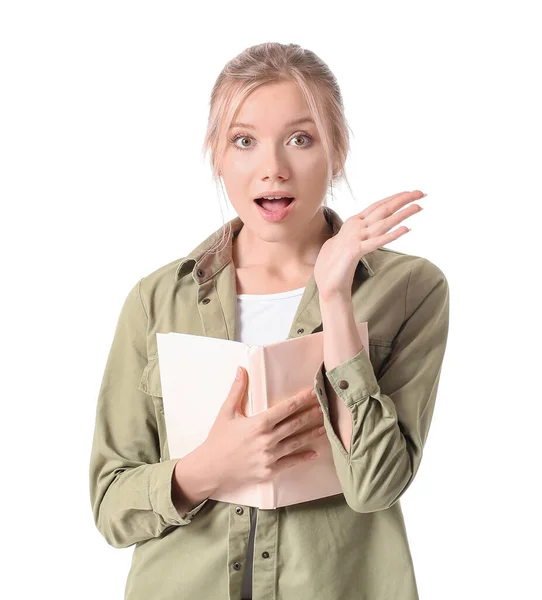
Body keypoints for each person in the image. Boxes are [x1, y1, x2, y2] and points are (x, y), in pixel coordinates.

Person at [89, 42, 449, 600]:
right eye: (244, 140)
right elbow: (112, 506)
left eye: (300, 139)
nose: (273, 169)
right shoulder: (156, 300)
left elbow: (377, 485)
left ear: (338, 148)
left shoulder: (408, 291)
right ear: (218, 154)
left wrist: (334, 295)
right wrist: (208, 468)